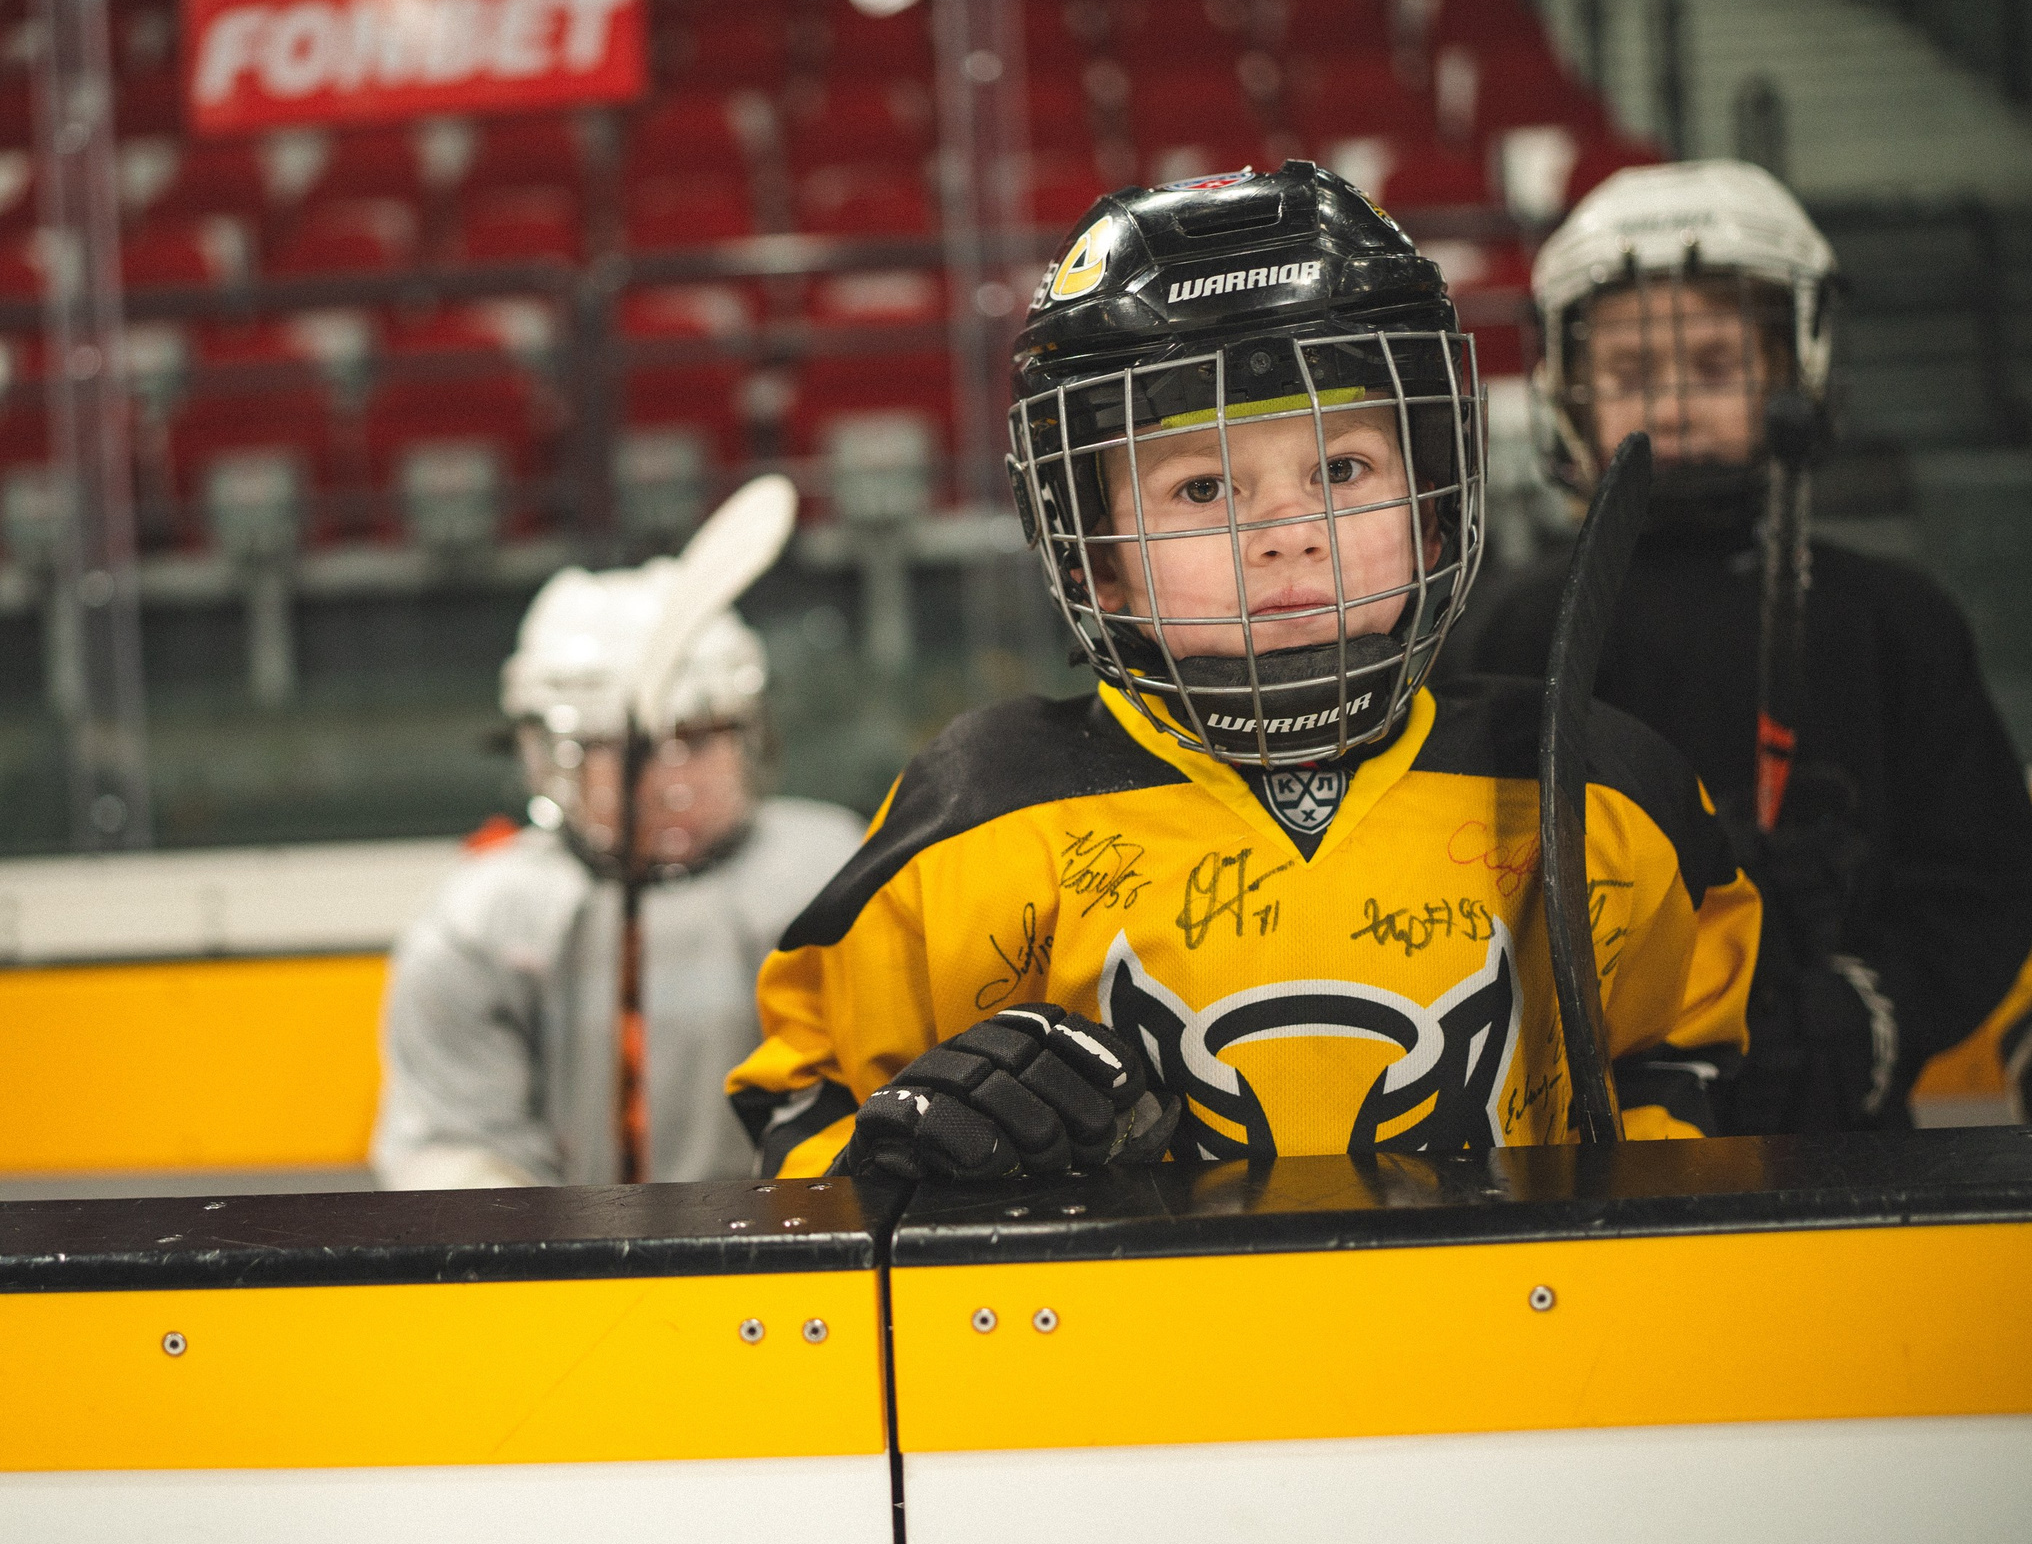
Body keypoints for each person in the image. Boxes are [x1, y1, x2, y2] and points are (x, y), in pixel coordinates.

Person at [726, 161, 1760, 1180]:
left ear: (1431, 501)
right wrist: (896, 1163)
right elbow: (803, 1094)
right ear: (1095, 553)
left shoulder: (1598, 790)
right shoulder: (978, 811)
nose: (1286, 533)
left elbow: (1691, 1061)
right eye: (1199, 487)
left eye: (1342, 468)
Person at [1472, 160, 2032, 1132]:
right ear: (1570, 390)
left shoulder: (1894, 618)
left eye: (1716, 367)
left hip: (1842, 1134)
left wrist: (1866, 1012)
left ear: (1794, 372)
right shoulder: (1512, 628)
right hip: (1581, 1143)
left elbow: (1977, 877)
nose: (1675, 406)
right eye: (1633, 374)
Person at [371, 559, 865, 1188]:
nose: (673, 779)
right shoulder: (485, 921)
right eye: (628, 749)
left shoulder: (837, 872)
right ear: (552, 757)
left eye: (700, 737)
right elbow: (454, 1154)